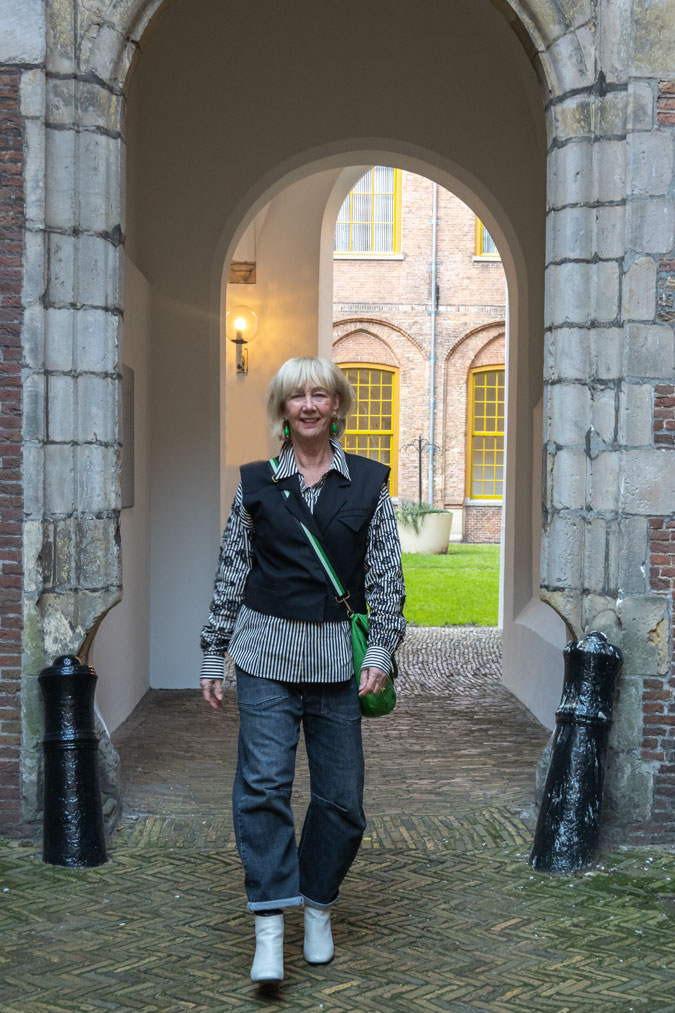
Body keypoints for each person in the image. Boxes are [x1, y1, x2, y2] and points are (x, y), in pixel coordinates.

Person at [199, 355, 405, 984]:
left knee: (341, 800)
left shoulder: (368, 483)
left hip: (339, 667)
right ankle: (269, 922)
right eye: (296, 397)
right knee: (262, 788)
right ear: (283, 410)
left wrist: (380, 650)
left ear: (338, 404)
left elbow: (386, 574)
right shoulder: (257, 484)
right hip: (266, 658)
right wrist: (215, 650)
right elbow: (234, 567)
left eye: (321, 395)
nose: (309, 406)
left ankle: (317, 905)